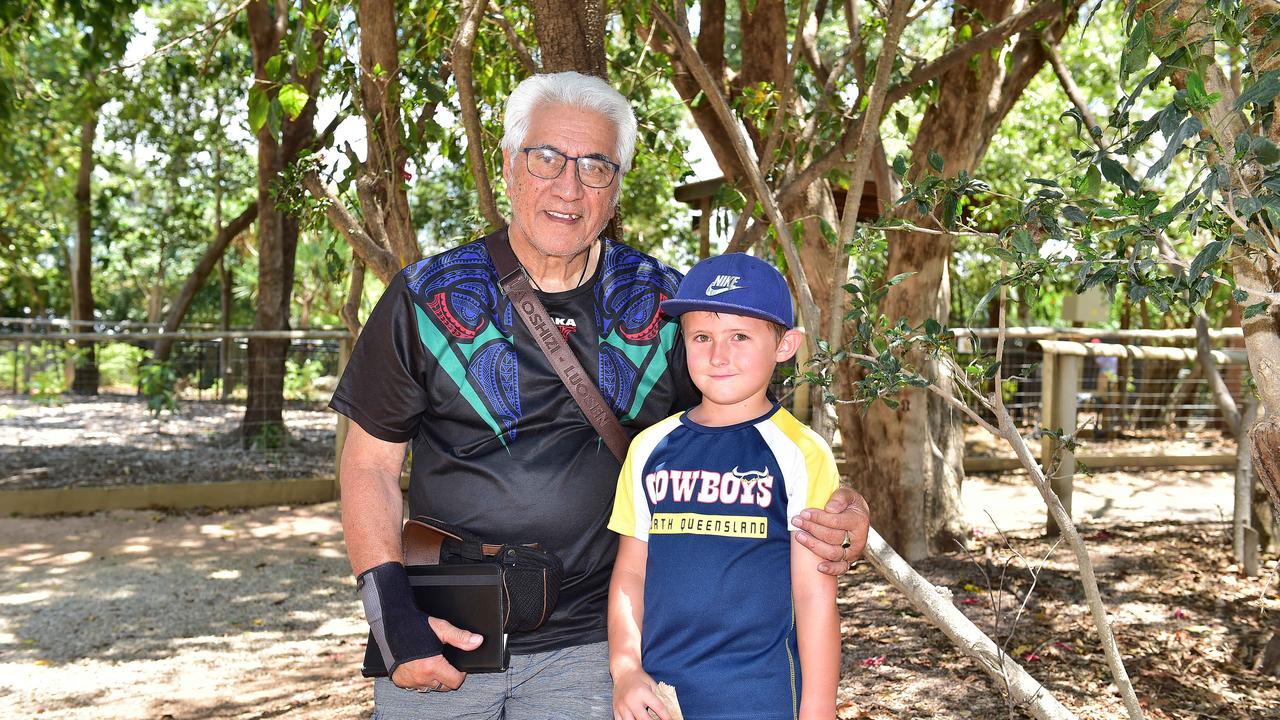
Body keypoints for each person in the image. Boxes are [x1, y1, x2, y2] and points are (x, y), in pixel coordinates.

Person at [330, 71, 869, 720]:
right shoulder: (426, 297)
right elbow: (368, 466)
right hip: (444, 622)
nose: (569, 185)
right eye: (546, 157)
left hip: (598, 643)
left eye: (596, 167)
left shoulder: (670, 308)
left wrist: (842, 509)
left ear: (615, 190)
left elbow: (753, 439)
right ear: (508, 165)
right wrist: (393, 615)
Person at [608, 253, 840, 720]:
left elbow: (814, 595)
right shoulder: (651, 447)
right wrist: (626, 669)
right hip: (661, 697)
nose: (718, 355)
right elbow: (631, 574)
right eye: (702, 337)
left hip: (762, 697)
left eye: (740, 336)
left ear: (785, 344)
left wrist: (818, 708)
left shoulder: (801, 452)